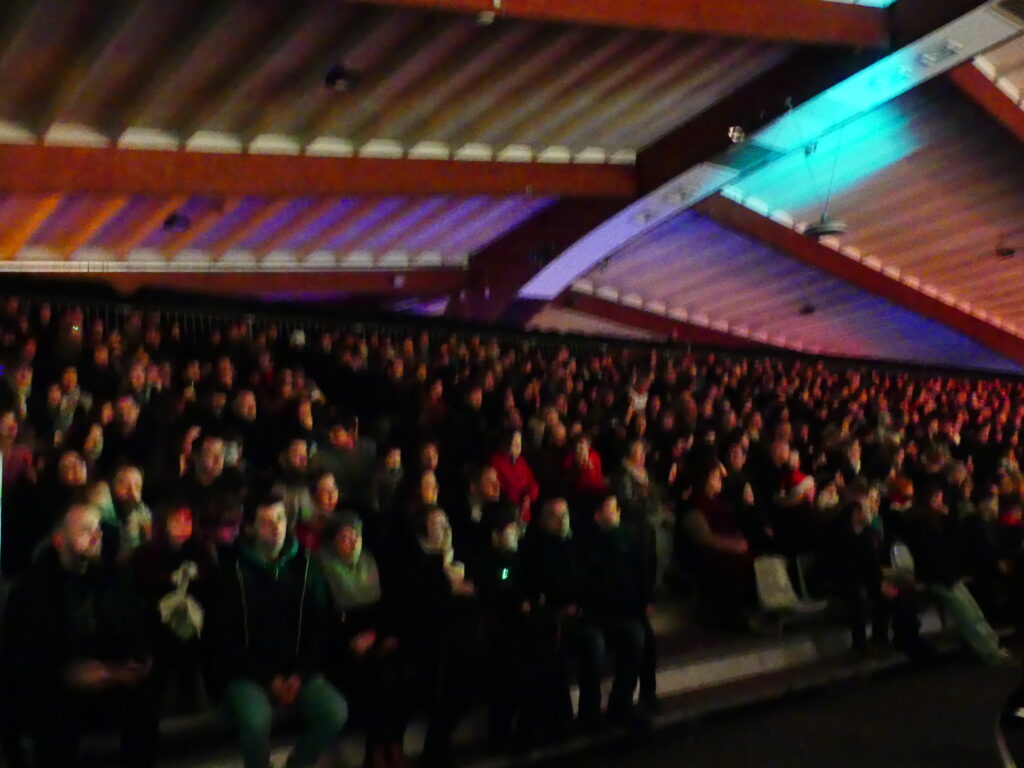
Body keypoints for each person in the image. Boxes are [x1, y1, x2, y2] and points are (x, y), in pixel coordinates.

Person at [1, 500, 158, 768]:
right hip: (54, 690)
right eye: (86, 530)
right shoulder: (31, 590)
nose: (96, 536)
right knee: (55, 723)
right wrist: (66, 674)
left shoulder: (111, 580)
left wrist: (136, 661)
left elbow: (133, 627)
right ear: (60, 540)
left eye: (97, 529)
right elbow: (18, 659)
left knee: (144, 705)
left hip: (105, 683)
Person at [203, 489, 348, 768]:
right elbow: (223, 638)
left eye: (280, 518)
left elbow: (319, 625)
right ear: (251, 528)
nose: (276, 527)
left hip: (294, 670)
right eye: (266, 522)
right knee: (257, 721)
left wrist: (300, 674)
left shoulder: (305, 563)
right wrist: (269, 679)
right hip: (246, 673)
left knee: (334, 711)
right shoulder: (231, 570)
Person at [320, 513, 409, 768]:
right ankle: (375, 747)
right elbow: (323, 619)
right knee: (380, 680)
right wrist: (356, 639)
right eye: (344, 537)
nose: (352, 542)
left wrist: (379, 635)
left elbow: (387, 607)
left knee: (407, 674)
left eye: (356, 536)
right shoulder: (323, 567)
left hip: (374, 635)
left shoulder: (371, 561)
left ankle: (395, 741)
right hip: (344, 645)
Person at [577, 495, 652, 731]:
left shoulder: (627, 538)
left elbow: (641, 571)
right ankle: (590, 712)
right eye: (611, 509)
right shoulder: (587, 544)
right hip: (594, 612)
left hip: (623, 609)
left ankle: (622, 702)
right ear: (597, 515)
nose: (617, 513)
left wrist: (642, 600)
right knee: (595, 644)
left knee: (638, 635)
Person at [490, 429, 539, 525]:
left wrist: (529, 497)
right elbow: (499, 491)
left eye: (519, 443)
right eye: (515, 442)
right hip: (507, 515)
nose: (518, 446)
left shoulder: (521, 461)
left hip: (524, 513)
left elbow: (533, 483)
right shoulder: (495, 462)